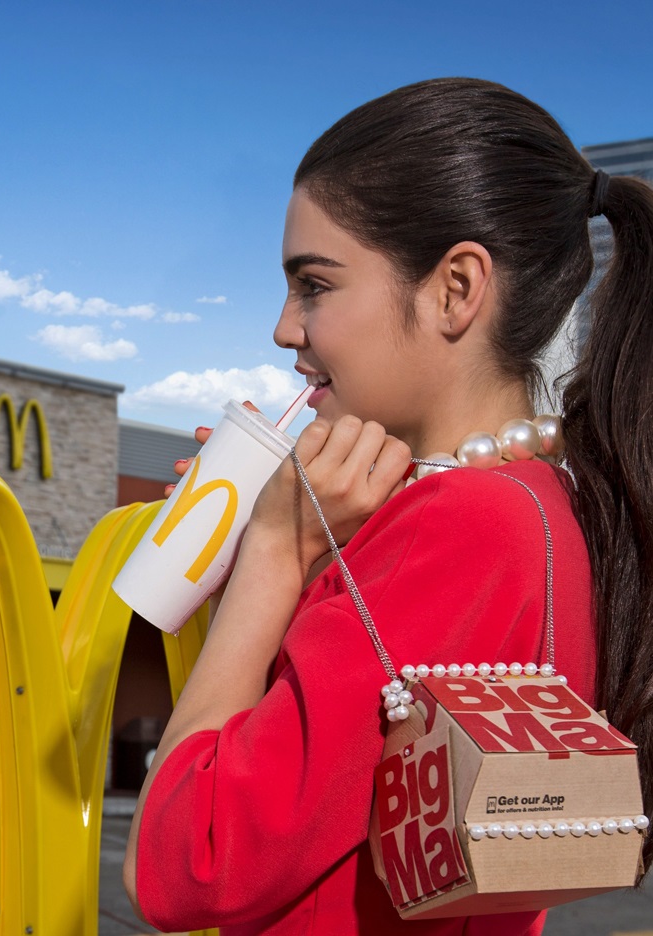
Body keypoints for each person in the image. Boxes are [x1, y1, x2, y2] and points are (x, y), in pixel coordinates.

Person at [122, 77, 653, 935]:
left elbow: (185, 863)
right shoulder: (544, 506)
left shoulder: (454, 527)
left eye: (315, 284)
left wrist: (273, 554)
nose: (285, 328)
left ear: (455, 289)